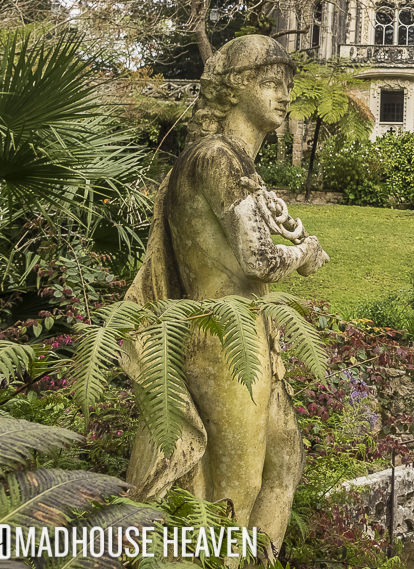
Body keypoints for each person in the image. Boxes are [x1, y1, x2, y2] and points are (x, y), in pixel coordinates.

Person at [122, 35, 329, 553]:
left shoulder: (238, 163)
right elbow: (258, 258)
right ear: (234, 89)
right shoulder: (217, 158)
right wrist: (304, 254)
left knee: (284, 463)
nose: (284, 95)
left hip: (249, 332)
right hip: (220, 336)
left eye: (287, 85)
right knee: (234, 490)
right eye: (270, 83)